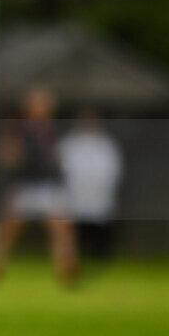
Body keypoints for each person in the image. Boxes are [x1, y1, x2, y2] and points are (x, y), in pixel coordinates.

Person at [0, 86, 79, 286]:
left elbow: (62, 159)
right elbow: (7, 156)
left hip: (48, 187)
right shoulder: (18, 129)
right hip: (24, 186)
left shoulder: (54, 131)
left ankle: (67, 269)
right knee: (7, 230)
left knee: (61, 227)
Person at [56, 109, 122, 260]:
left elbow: (112, 169)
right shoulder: (69, 143)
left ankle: (100, 255)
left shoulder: (106, 144)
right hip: (74, 194)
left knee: (99, 227)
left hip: (99, 194)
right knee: (73, 227)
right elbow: (61, 166)